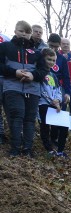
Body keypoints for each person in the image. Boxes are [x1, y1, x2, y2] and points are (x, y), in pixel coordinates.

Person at [0, 21, 49, 157]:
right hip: (12, 87)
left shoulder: (37, 52)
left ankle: (27, 149)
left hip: (32, 89)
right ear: (15, 31)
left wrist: (32, 75)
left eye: (27, 32)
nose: (24, 34)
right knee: (17, 116)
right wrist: (14, 72)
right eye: (21, 31)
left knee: (29, 119)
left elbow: (44, 70)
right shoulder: (5, 47)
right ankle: (15, 149)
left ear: (30, 34)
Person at [38, 48, 67, 157]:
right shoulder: (39, 72)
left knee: (63, 125)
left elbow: (58, 89)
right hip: (43, 103)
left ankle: (60, 150)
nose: (51, 62)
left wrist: (58, 101)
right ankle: (48, 148)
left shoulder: (53, 75)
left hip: (55, 104)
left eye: (53, 60)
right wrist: (52, 101)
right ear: (43, 59)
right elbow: (42, 90)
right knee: (45, 126)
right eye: (49, 59)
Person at [45, 34, 71, 114]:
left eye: (56, 46)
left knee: (57, 112)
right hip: (43, 88)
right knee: (44, 115)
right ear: (48, 42)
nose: (53, 48)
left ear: (59, 45)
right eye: (51, 45)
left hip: (56, 89)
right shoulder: (41, 54)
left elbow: (66, 76)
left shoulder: (62, 59)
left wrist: (67, 93)